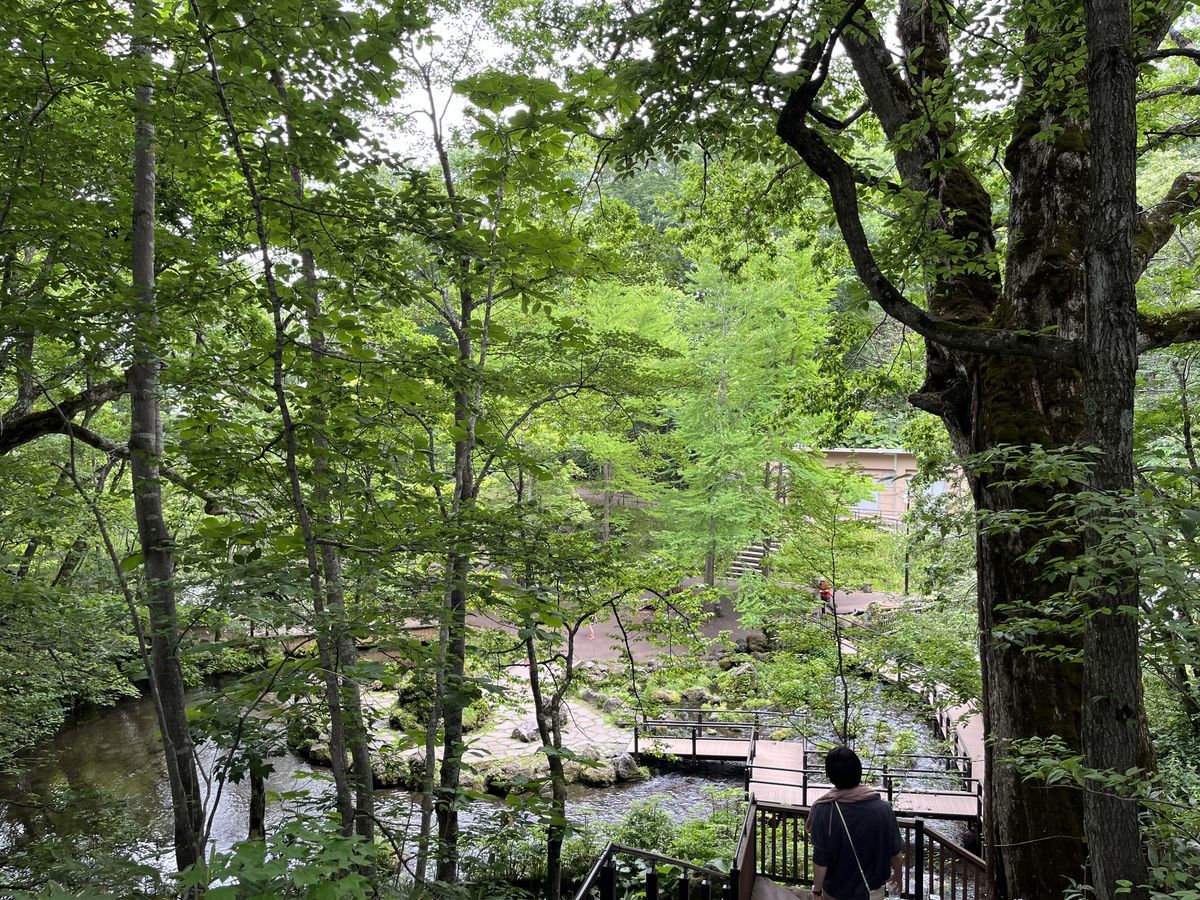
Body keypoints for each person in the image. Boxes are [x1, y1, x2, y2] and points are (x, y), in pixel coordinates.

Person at [807, 747, 903, 900]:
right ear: (859, 771)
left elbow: (821, 857)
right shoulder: (882, 809)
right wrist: (898, 876)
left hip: (835, 892)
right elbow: (895, 855)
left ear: (830, 775)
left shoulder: (823, 809)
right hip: (871, 893)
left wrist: (817, 892)